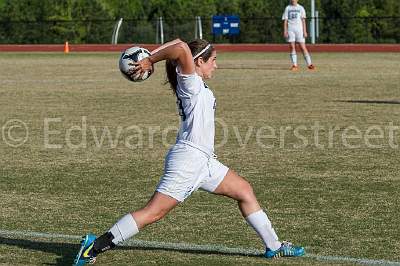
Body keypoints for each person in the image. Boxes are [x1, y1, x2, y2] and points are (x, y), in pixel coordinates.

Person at [73, 38, 305, 265]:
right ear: (199, 62)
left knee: (244, 190)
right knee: (153, 213)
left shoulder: (192, 82)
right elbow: (181, 47)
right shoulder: (190, 81)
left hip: (203, 160)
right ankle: (94, 246)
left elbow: (178, 43)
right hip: (189, 160)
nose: (216, 64)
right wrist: (149, 60)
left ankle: (273, 246)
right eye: (213, 59)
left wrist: (150, 60)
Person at [282, 0, 315, 71]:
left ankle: (310, 64)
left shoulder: (301, 8)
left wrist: (305, 31)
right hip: (290, 30)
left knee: (303, 47)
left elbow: (303, 21)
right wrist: (285, 31)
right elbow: (285, 20)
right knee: (291, 46)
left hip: (299, 30)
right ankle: (295, 65)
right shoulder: (287, 8)